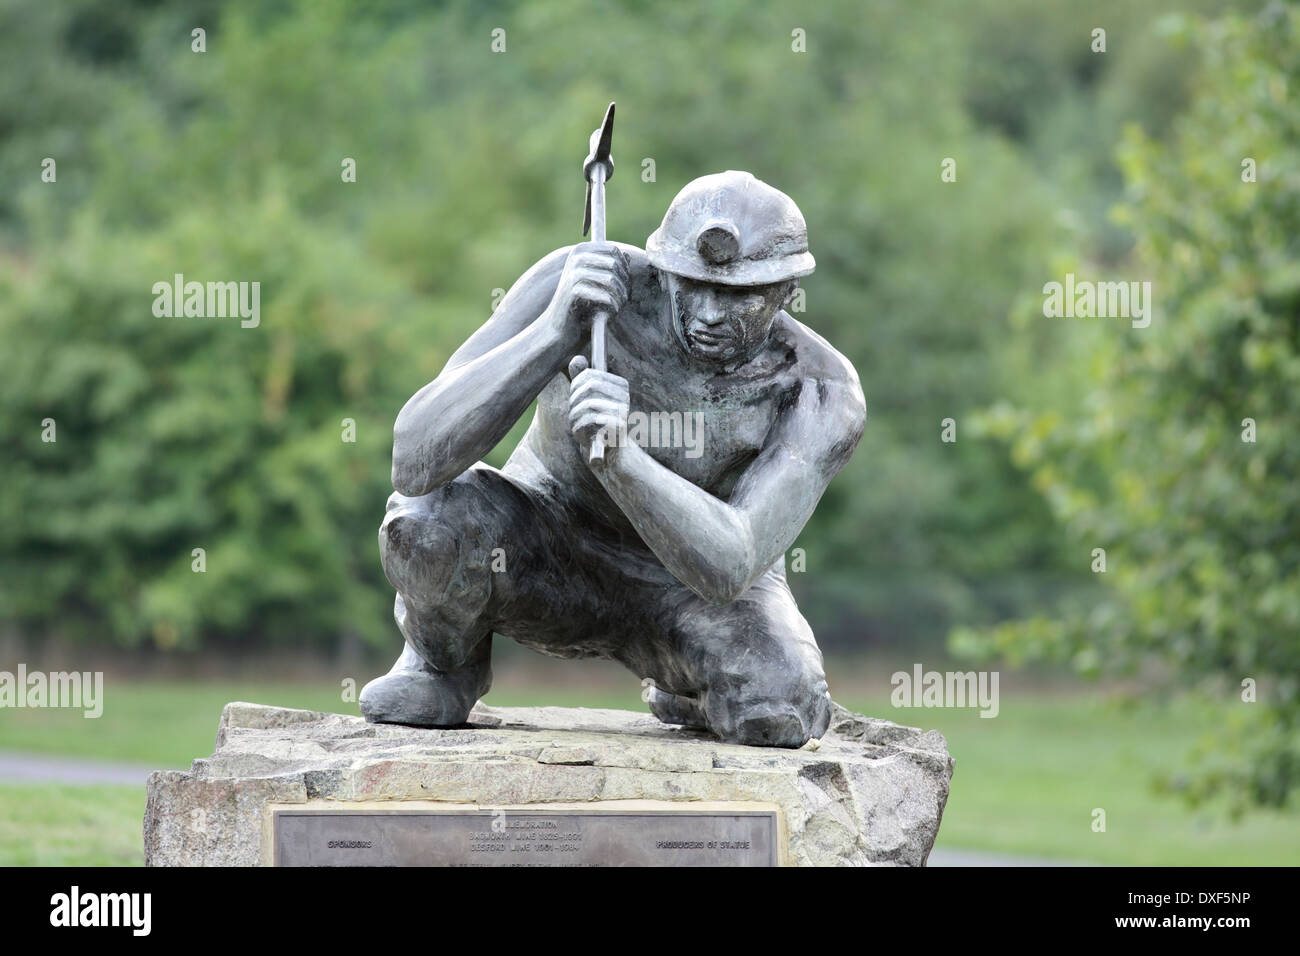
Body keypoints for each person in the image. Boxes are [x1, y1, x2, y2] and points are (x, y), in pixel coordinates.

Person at [361, 171, 865, 748]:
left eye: (736, 295)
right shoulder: (582, 284)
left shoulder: (820, 390)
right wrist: (553, 333)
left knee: (780, 708)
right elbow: (415, 457)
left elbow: (732, 563)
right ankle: (444, 664)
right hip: (544, 545)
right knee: (423, 525)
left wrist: (624, 462)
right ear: (661, 268)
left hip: (688, 588)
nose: (707, 313)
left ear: (784, 288)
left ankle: (686, 680)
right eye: (689, 283)